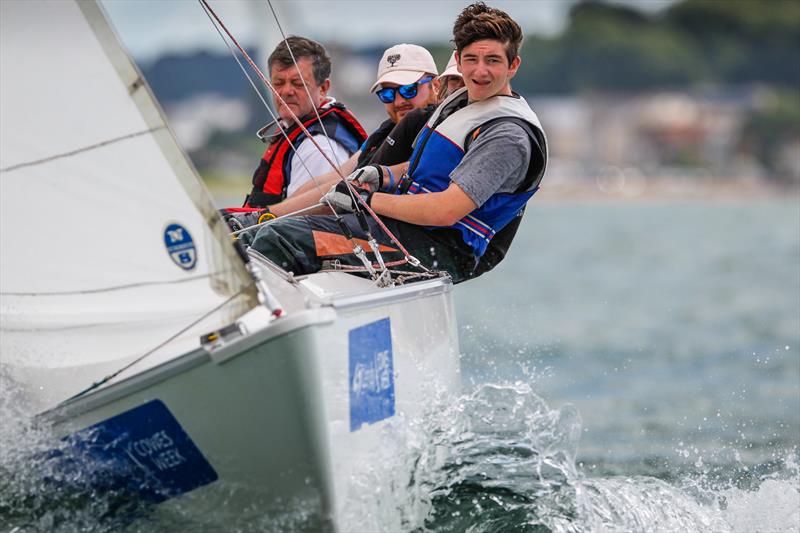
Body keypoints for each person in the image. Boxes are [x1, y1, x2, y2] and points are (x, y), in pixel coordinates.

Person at [248, 2, 547, 284]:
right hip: (406, 232)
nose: (480, 71)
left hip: (439, 249)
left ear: (513, 65)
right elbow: (431, 170)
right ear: (457, 60)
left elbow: (446, 210)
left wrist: (367, 200)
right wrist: (384, 175)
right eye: (471, 59)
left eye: (492, 60)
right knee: (255, 236)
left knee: (280, 239)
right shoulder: (461, 105)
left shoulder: (507, 135)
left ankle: (257, 329)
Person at [225, 43, 439, 229]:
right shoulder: (386, 134)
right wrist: (258, 217)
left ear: (435, 85)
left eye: (409, 90)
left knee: (281, 235)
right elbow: (334, 179)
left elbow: (339, 192)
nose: (399, 100)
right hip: (378, 232)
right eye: (388, 93)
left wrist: (264, 218)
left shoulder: (442, 134)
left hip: (413, 243)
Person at [238, 36, 367, 209]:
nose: (286, 91)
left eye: (298, 84)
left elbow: (299, 224)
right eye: (278, 83)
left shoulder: (319, 147)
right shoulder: (293, 131)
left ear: (323, 89)